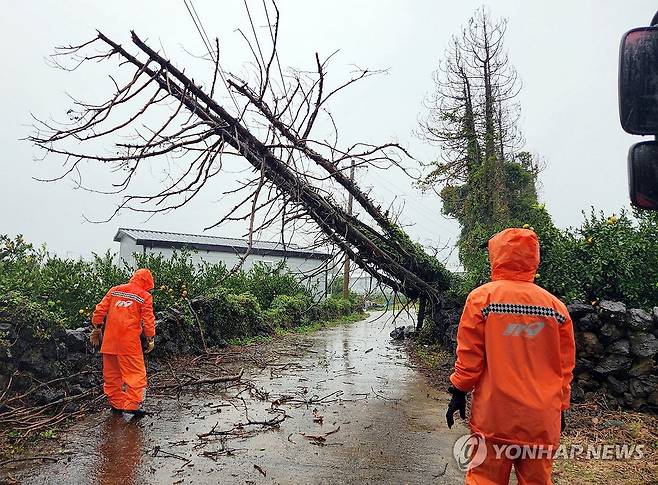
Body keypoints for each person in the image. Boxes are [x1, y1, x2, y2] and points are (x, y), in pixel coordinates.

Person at [446, 228, 575, 485]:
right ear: (534, 259)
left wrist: (459, 390)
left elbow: (470, 356)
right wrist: (560, 407)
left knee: (484, 479)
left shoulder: (482, 299)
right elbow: (564, 367)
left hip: (494, 416)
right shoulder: (556, 308)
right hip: (541, 419)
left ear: (497, 256)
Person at [90, 268, 156, 416]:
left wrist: (97, 326)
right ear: (147, 282)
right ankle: (132, 405)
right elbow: (148, 320)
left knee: (111, 375)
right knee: (135, 374)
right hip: (129, 344)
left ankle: (117, 403)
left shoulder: (115, 290)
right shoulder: (144, 296)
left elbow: (99, 310)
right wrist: (150, 338)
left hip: (109, 342)